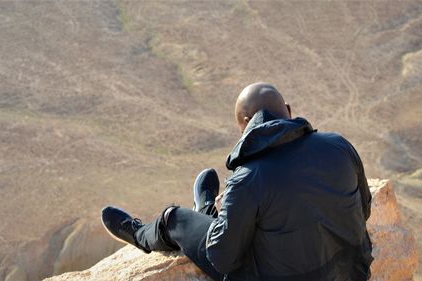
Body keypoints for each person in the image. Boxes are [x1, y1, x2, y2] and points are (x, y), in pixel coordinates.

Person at [101, 82, 373, 281]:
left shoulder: (249, 178)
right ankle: (208, 210)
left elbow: (222, 258)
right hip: (353, 274)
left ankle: (140, 234)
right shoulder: (339, 146)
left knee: (174, 219)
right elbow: (364, 210)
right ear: (288, 111)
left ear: (245, 124)